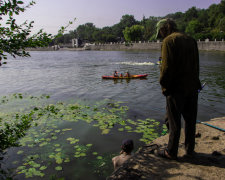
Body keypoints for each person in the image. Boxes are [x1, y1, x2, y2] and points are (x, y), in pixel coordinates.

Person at [156, 19, 202, 159]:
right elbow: (196, 65)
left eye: (160, 33)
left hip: (176, 88)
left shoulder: (169, 41)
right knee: (190, 120)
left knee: (173, 121)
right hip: (192, 87)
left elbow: (166, 68)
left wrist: (164, 86)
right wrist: (196, 83)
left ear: (165, 29)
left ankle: (171, 151)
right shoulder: (191, 40)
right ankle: (190, 150)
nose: (161, 36)